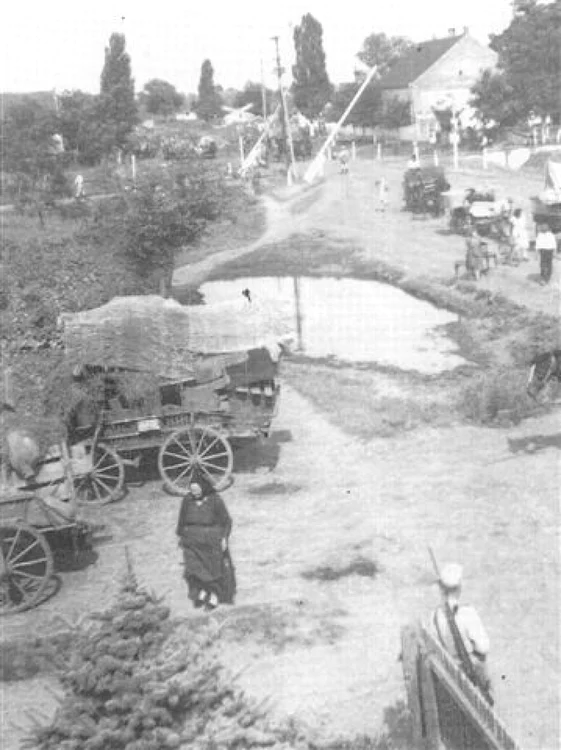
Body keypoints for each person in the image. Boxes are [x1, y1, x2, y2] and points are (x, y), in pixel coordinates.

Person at [176, 475, 236, 610]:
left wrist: (224, 538)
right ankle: (202, 593)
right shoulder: (187, 500)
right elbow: (181, 519)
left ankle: (214, 596)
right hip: (191, 541)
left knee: (211, 570)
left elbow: (226, 521)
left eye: (197, 490)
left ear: (204, 488)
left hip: (210, 541)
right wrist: (181, 536)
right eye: (192, 490)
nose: (194, 493)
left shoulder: (215, 500)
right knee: (194, 568)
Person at [432, 563, 491, 695]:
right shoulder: (467, 613)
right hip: (472, 673)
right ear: (459, 587)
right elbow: (483, 647)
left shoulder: (436, 615)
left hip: (452, 673)